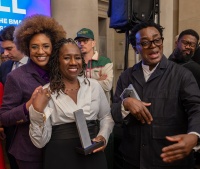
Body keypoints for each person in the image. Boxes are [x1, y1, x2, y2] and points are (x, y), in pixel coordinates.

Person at [111, 21, 200, 169]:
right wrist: (125, 104)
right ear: (135, 48)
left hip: (169, 162)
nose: (153, 45)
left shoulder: (182, 75)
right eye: (145, 42)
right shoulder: (126, 76)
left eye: (157, 40)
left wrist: (194, 135)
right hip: (131, 160)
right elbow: (114, 112)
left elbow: (196, 108)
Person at [28, 38, 114, 169]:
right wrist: (37, 111)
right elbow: (39, 142)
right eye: (67, 58)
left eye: (78, 58)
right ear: (57, 61)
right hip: (60, 157)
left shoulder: (94, 86)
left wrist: (103, 137)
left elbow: (106, 117)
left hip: (93, 154)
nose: (73, 62)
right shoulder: (46, 92)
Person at [0, 14, 66, 169]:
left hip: (60, 147)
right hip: (30, 152)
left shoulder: (62, 73)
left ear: (53, 46)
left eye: (46, 46)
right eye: (34, 47)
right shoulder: (16, 76)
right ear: (27, 48)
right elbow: (4, 117)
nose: (40, 51)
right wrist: (29, 105)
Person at [0, 25, 29, 169]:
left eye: (9, 48)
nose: (5, 53)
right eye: (3, 49)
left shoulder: (37, 64)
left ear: (20, 43)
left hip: (31, 131)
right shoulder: (4, 68)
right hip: (10, 131)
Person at [74, 28, 113, 104]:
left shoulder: (105, 61)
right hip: (82, 107)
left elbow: (107, 86)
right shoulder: (75, 63)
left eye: (85, 41)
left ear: (93, 43)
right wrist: (97, 81)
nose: (81, 44)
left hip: (101, 109)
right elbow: (72, 87)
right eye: (79, 41)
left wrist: (82, 84)